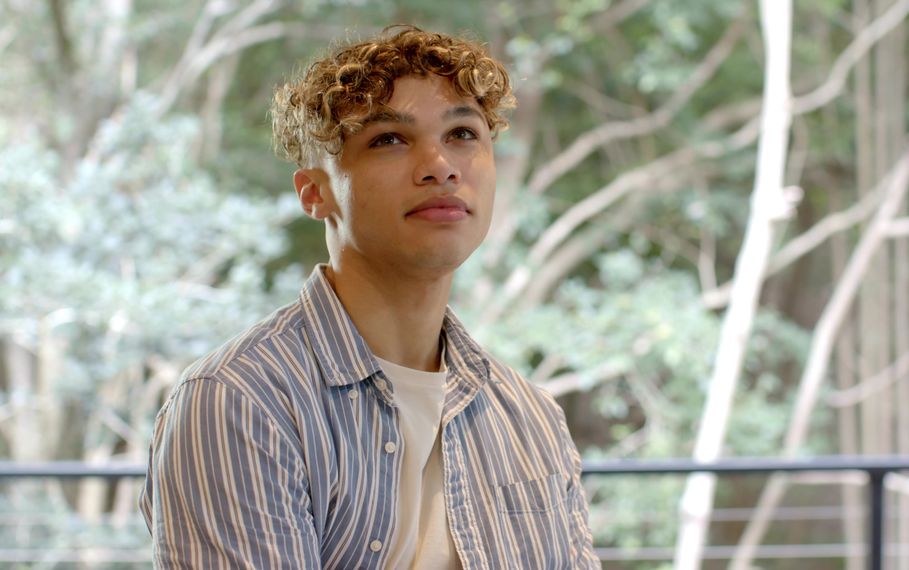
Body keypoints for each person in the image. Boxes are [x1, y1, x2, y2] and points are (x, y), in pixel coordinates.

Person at [140, 25, 600, 569]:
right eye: (388, 139)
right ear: (315, 192)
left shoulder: (531, 419)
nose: (441, 165)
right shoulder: (239, 403)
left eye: (462, 134)